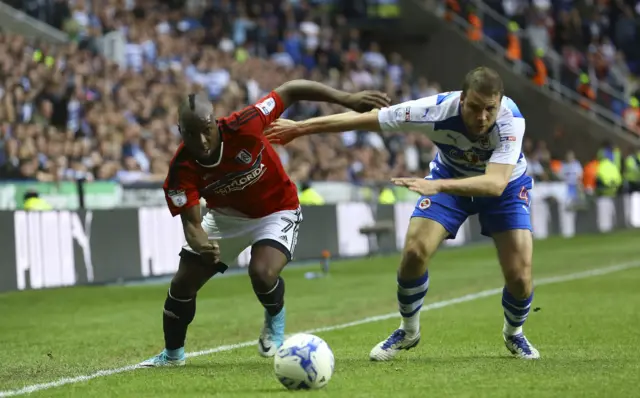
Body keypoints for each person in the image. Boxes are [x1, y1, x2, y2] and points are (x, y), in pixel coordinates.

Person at [265, 67, 540, 360]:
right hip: (448, 178)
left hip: (504, 188)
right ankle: (408, 331)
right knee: (413, 253)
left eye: (490, 109)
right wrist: (301, 127)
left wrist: (436, 186)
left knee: (520, 277)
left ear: (499, 103)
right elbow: (365, 119)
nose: (482, 117)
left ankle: (514, 334)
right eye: (475, 107)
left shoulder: (511, 119)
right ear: (461, 99)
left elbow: (495, 183)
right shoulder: (433, 111)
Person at [140, 80, 390, 367]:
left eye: (207, 130)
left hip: (277, 208)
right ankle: (172, 356)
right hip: (226, 218)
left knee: (261, 272)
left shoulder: (246, 123)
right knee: (183, 283)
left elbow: (292, 89)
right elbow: (192, 226)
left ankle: (274, 317)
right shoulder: (180, 170)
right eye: (192, 134)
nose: (203, 141)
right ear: (180, 132)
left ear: (217, 124)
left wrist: (348, 97)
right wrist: (203, 245)